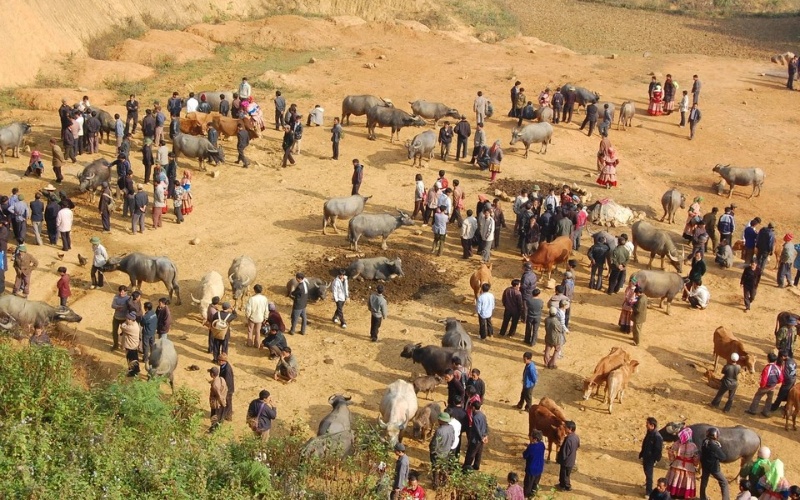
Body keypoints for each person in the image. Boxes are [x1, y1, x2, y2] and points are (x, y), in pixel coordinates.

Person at [666, 426, 699, 499]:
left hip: (676, 465)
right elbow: (696, 458)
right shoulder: (693, 446)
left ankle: (673, 494)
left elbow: (670, 452)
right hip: (688, 468)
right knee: (685, 482)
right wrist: (695, 465)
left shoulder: (677, 443)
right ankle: (683, 495)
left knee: (674, 480)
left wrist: (672, 460)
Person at [746, 352, 783, 416]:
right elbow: (781, 378)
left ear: (768, 359)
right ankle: (766, 412)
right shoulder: (778, 368)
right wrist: (775, 384)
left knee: (757, 397)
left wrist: (762, 386)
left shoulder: (767, 368)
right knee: (769, 399)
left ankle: (752, 410)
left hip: (765, 387)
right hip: (772, 387)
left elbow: (764, 379)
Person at [699, 428, 729, 500]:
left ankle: (702, 497)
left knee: (704, 481)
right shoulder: (714, 446)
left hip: (705, 465)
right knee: (724, 482)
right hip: (714, 468)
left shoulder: (704, 442)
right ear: (715, 436)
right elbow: (723, 457)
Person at [429, 412, 455, 488]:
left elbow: (435, 443)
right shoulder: (451, 428)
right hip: (446, 451)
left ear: (442, 421)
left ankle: (436, 484)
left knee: (435, 468)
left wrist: (432, 451)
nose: (438, 420)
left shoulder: (439, 431)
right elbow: (453, 439)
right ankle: (444, 482)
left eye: (439, 419)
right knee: (444, 467)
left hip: (438, 453)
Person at [640, 417, 664, 497]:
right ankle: (647, 484)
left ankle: (649, 492)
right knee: (646, 471)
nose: (646, 425)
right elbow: (645, 444)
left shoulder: (657, 436)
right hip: (646, 456)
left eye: (647, 424)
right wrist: (642, 454)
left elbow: (658, 449)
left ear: (652, 425)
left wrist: (655, 459)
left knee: (649, 475)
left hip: (650, 458)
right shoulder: (649, 432)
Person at [462, 400, 488, 471]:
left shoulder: (475, 417)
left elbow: (477, 429)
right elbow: (486, 425)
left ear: (473, 407)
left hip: (475, 439)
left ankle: (466, 467)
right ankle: (476, 466)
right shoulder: (483, 415)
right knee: (479, 453)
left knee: (470, 454)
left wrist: (481, 437)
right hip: (482, 438)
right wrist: (485, 435)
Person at [557, 421, 579, 491]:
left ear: (570, 429)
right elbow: (577, 446)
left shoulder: (568, 439)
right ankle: (562, 485)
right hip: (571, 459)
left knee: (564, 475)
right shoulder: (576, 437)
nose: (564, 429)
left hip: (566, 461)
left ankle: (565, 487)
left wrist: (559, 458)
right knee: (566, 474)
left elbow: (565, 452)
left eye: (565, 427)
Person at [522, 430, 545, 497]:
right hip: (539, 468)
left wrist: (529, 447)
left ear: (535, 439)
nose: (530, 437)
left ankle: (526, 496)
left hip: (531, 470)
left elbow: (525, 455)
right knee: (535, 484)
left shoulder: (531, 447)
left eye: (531, 437)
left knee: (528, 485)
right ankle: (533, 496)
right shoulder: (542, 445)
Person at [120, 311, 141, 377]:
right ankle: (136, 370)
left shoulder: (131, 328)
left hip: (131, 346)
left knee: (131, 360)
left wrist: (124, 323)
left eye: (127, 318)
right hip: (133, 346)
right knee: (134, 359)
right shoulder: (134, 324)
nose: (126, 319)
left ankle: (133, 373)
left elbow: (122, 326)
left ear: (130, 320)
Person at [208, 365, 227, 431]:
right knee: (219, 416)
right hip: (222, 401)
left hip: (216, 404)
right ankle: (217, 428)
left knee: (214, 417)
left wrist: (222, 403)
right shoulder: (222, 379)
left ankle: (213, 430)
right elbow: (225, 389)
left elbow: (218, 395)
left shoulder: (214, 385)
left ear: (212, 374)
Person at [140, 301, 157, 366]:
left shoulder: (145, 316)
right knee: (152, 345)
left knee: (146, 346)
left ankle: (145, 359)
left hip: (147, 333)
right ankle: (153, 357)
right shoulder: (154, 313)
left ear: (146, 308)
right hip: (153, 332)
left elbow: (142, 324)